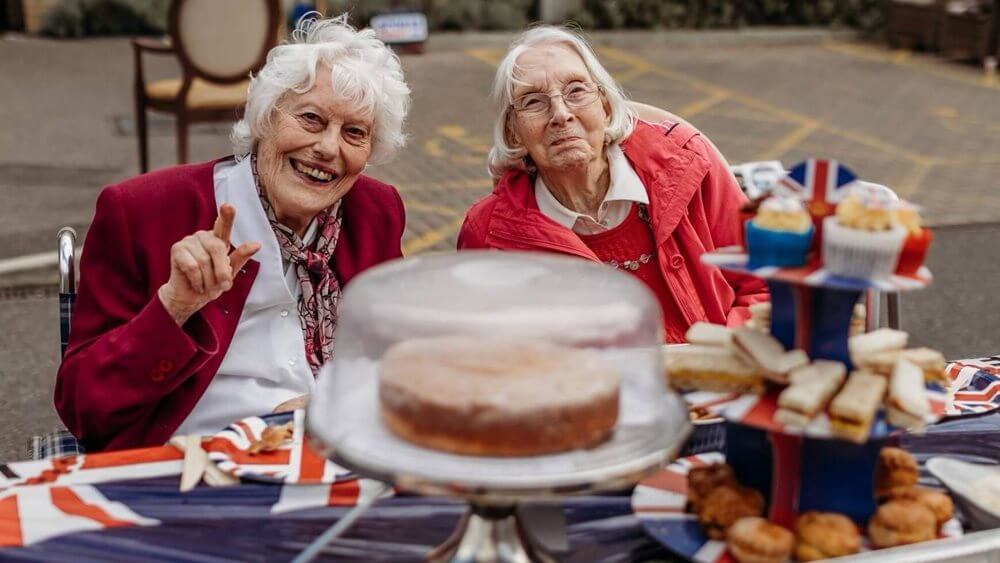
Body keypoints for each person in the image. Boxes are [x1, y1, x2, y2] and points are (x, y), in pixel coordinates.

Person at [55, 15, 411, 452]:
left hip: (336, 451)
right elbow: (82, 407)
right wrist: (174, 307)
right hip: (191, 462)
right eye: (311, 119)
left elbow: (393, 359)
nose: (328, 148)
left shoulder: (375, 211)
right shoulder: (143, 212)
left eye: (354, 133)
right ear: (265, 119)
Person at [457, 26, 768, 343]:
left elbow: (765, 282)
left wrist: (724, 361)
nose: (561, 114)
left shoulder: (689, 164)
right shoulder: (487, 235)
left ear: (605, 107)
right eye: (533, 102)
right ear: (513, 133)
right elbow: (489, 351)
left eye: (576, 91)